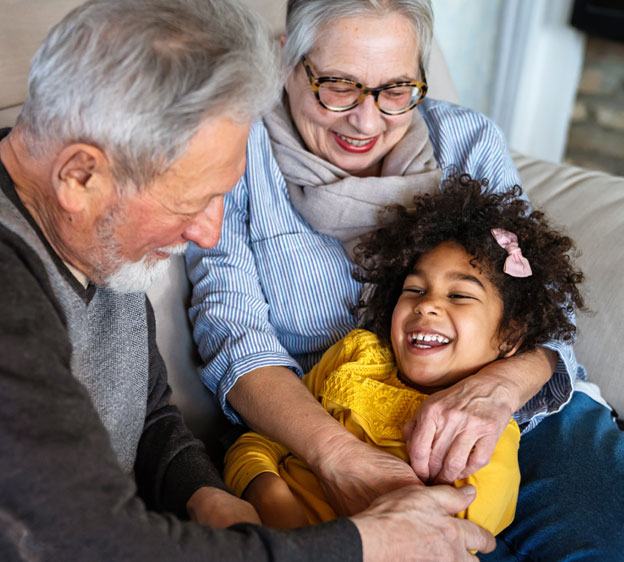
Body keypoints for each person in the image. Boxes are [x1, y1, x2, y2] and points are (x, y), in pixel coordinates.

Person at [0, 0, 497, 561]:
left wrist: (207, 495)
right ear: (79, 176)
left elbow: (151, 415)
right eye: (195, 202)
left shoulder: (96, 239)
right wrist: (370, 542)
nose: (209, 234)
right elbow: (99, 542)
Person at [186, 0, 624, 559]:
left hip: (513, 417)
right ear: (285, 63)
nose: (366, 122)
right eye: (338, 86)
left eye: (396, 90)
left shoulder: (466, 141)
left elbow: (543, 308)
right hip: (330, 429)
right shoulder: (235, 152)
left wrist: (498, 389)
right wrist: (341, 458)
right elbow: (235, 344)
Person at [222, 177, 585, 539]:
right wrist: (272, 500)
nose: (426, 304)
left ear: (509, 335)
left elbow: (439, 538)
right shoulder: (354, 354)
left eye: (459, 296)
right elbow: (257, 441)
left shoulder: (483, 435)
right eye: (414, 289)